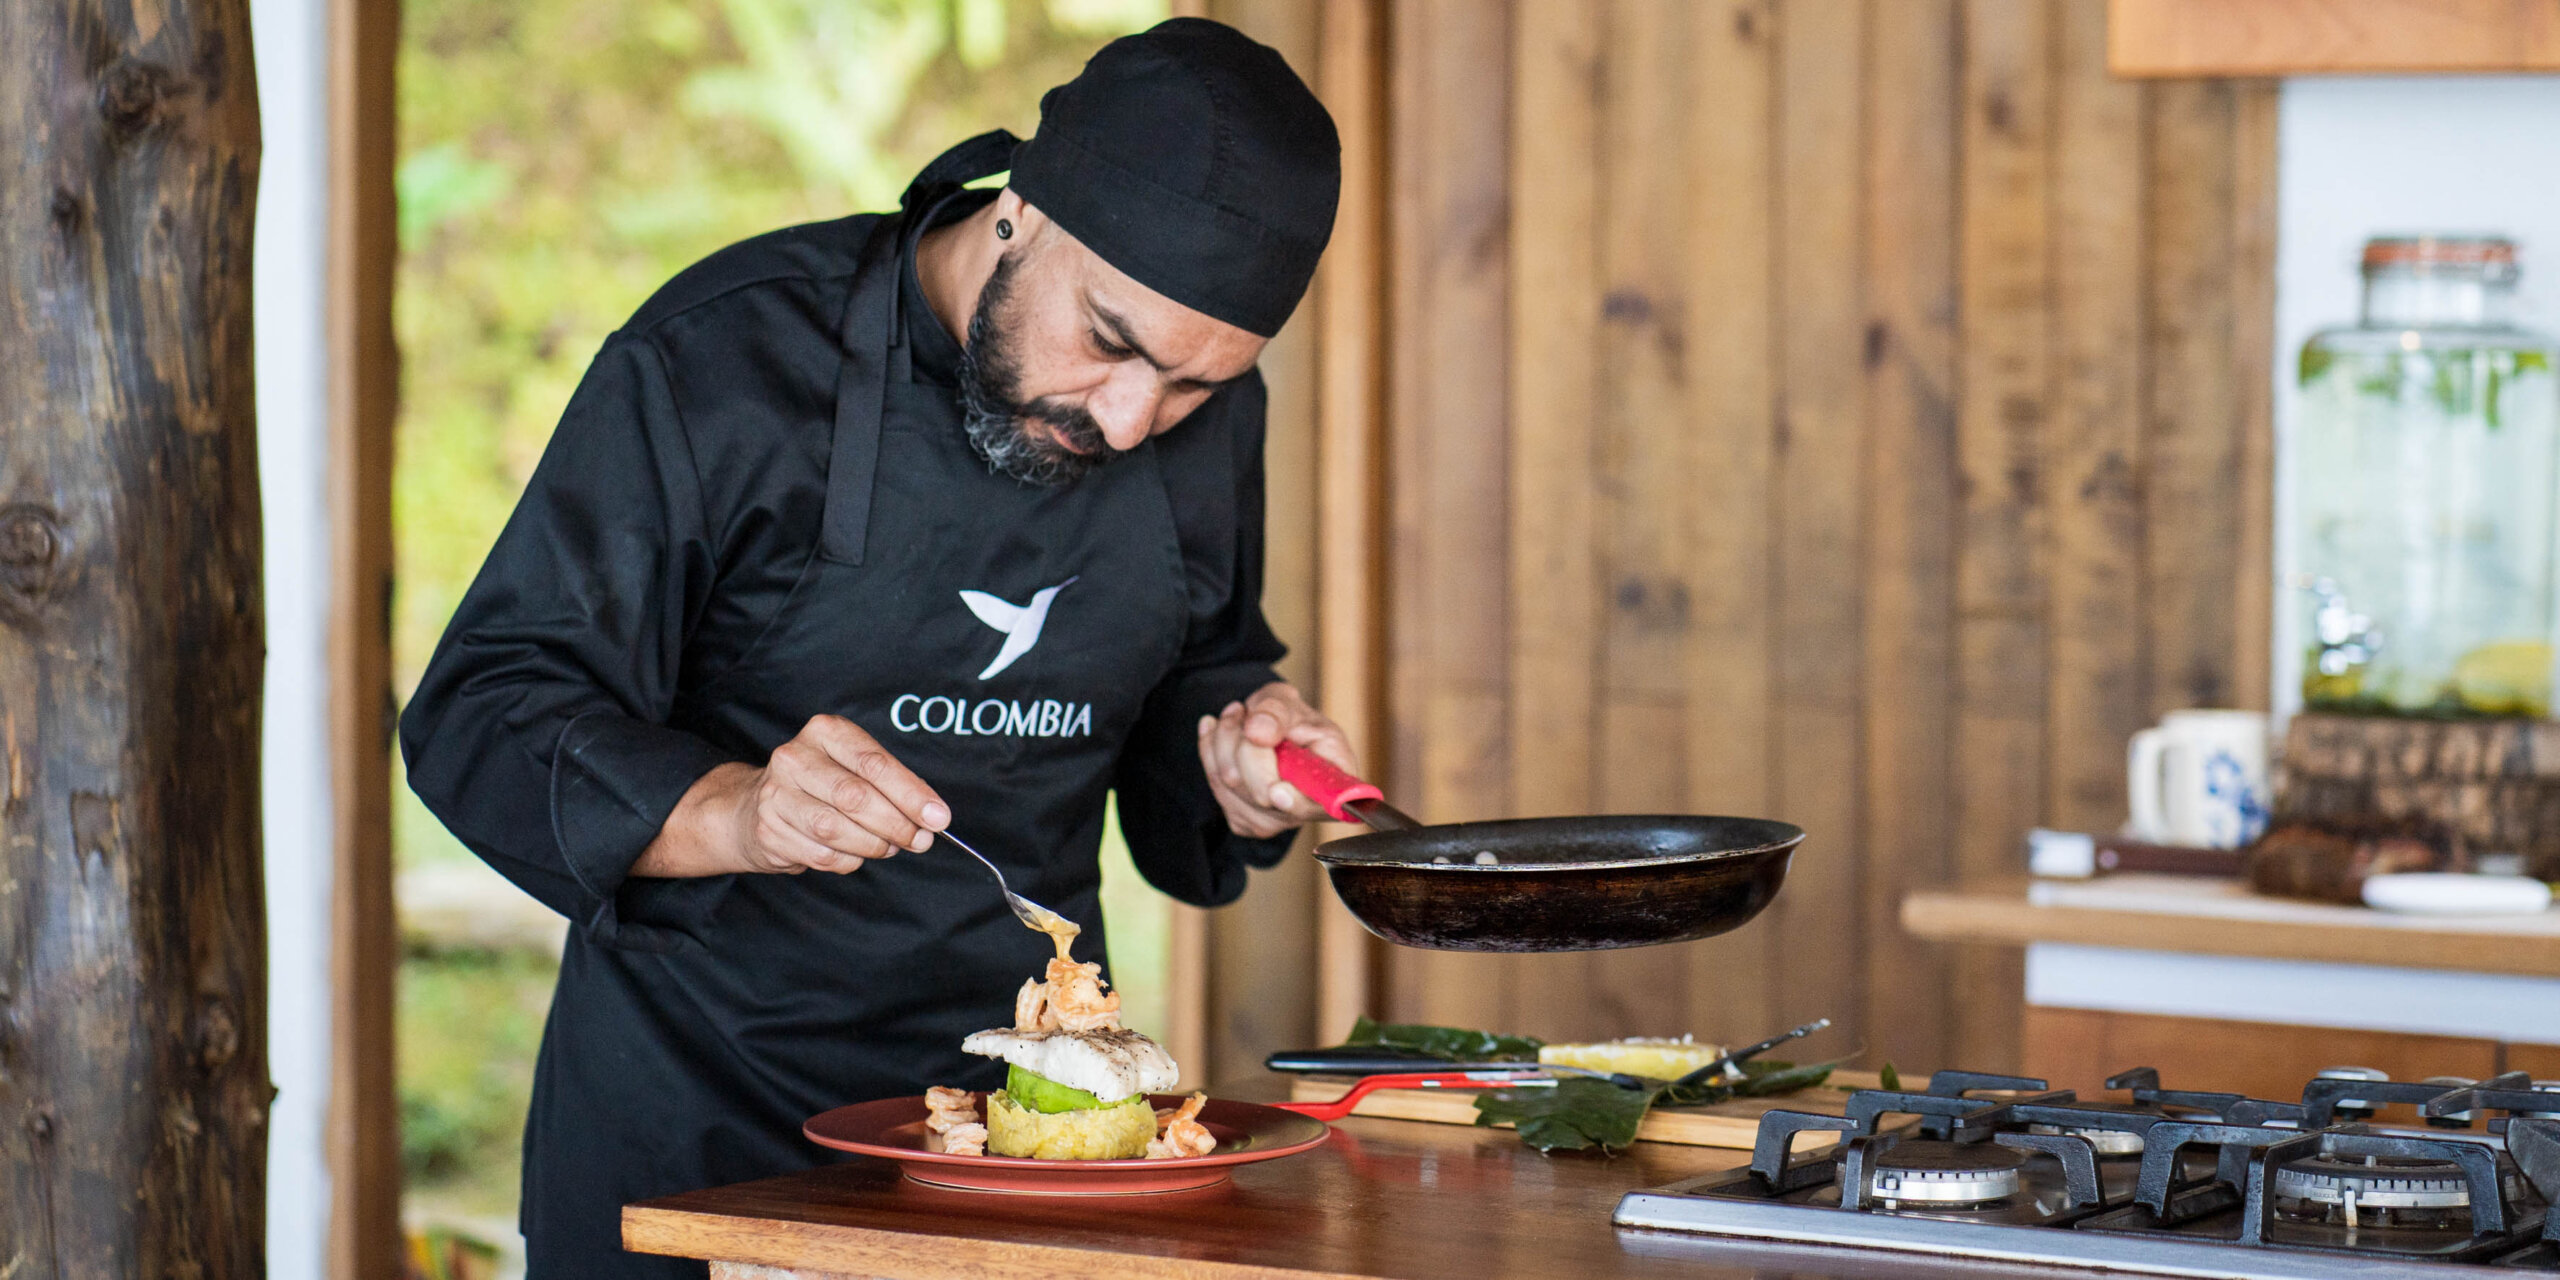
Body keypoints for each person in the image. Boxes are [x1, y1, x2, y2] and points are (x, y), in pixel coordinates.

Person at [398, 18, 1351, 1276]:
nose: (1131, 422)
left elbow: (1197, 662)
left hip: (1030, 1150)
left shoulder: (1194, 415)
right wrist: (737, 809)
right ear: (1020, 212)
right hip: (701, 1131)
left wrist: (1238, 755)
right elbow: (487, 704)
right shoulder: (722, 363)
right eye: (1112, 343)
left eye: (1193, 388)